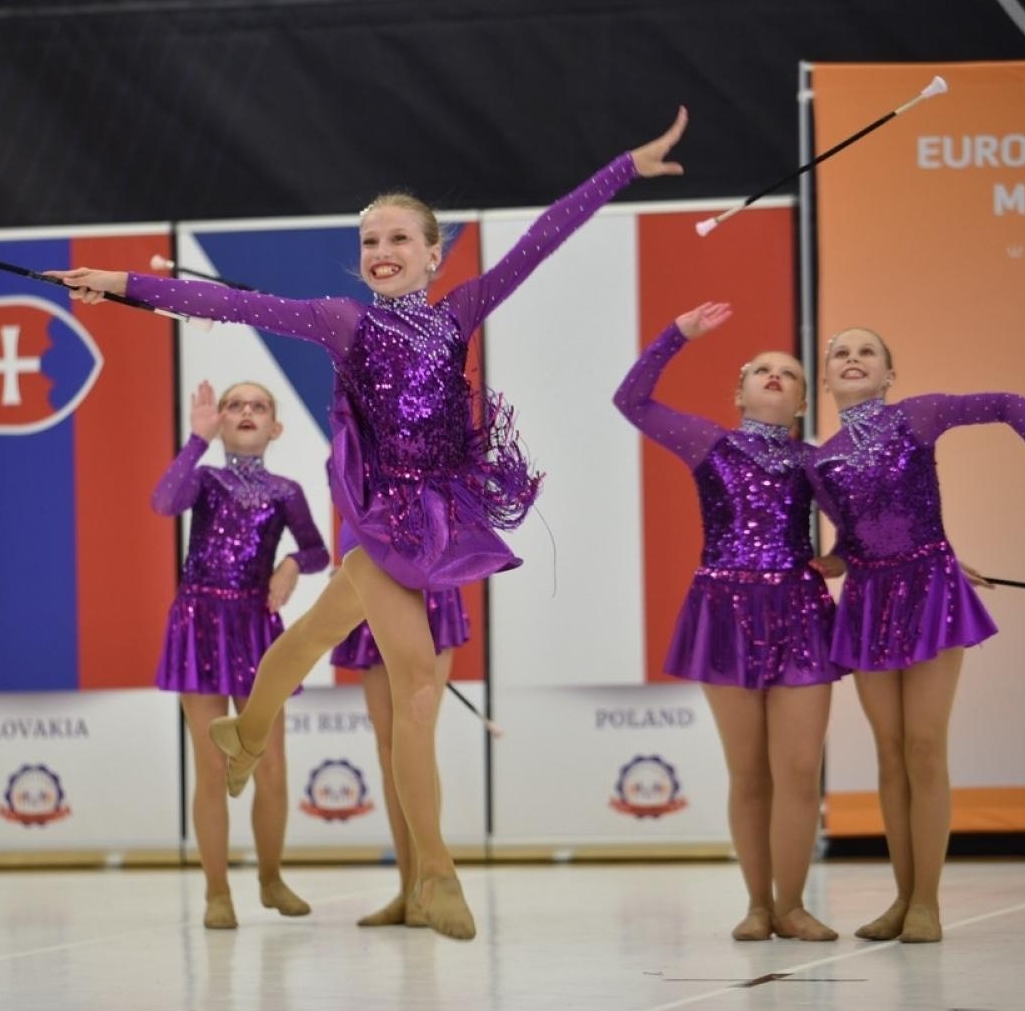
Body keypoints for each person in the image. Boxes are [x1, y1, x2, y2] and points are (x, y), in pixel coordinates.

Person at [53, 108, 691, 938]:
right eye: (370, 244)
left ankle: (244, 733)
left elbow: (540, 239)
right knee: (419, 686)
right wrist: (123, 285)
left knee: (317, 631)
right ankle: (440, 872)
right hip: (383, 518)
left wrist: (623, 170)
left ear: (433, 252)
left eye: (399, 240)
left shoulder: (460, 311)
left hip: (443, 517)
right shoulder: (340, 321)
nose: (382, 253)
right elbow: (220, 302)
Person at [813, 327, 1025, 943]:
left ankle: (928, 903)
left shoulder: (917, 415)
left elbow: (1006, 403)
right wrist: (829, 563)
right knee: (889, 752)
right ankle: (900, 898)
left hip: (927, 591)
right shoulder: (820, 460)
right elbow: (853, 537)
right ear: (826, 378)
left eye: (866, 351)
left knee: (924, 746)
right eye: (840, 352)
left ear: (889, 374)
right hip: (868, 597)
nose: (852, 359)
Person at [614, 302, 841, 941]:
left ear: (800, 403)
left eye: (788, 373)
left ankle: (793, 905)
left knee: (798, 768)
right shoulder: (708, 443)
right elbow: (631, 400)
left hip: (799, 610)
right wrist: (674, 334)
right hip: (725, 609)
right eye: (760, 369)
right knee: (749, 772)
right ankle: (758, 906)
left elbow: (866, 527)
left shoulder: (817, 461)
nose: (774, 376)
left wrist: (840, 557)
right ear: (737, 392)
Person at [153, 379, 330, 930]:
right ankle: (215, 892)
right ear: (221, 422)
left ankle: (271, 878)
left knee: (269, 766)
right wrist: (195, 441)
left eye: (258, 406)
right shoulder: (204, 479)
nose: (246, 411)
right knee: (210, 767)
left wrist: (293, 564)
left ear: (276, 428)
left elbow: (319, 549)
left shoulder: (286, 490)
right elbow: (165, 501)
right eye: (234, 405)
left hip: (255, 626)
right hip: (199, 620)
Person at [330, 587, 469, 927]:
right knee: (388, 748)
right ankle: (408, 889)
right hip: (376, 596)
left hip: (428, 593)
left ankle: (427, 887)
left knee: (418, 742)